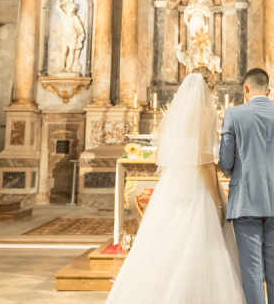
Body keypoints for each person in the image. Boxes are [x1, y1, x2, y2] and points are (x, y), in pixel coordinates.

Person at [105, 67, 245, 304]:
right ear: (209, 87)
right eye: (213, 87)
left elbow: (163, 152)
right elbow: (204, 161)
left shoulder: (178, 114)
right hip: (197, 189)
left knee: (162, 247)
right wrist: (218, 201)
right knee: (200, 247)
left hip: (171, 186)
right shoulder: (206, 111)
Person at [220, 68, 274, 304]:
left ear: (245, 88)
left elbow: (226, 160)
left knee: (252, 271)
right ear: (269, 90)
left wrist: (232, 171)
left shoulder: (234, 114)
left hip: (246, 200)